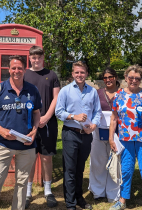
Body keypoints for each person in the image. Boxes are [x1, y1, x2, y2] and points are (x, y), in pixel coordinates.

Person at [0, 55, 42, 210]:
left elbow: (36, 113)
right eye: (13, 68)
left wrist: (35, 130)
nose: (17, 71)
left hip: (26, 145)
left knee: (22, 184)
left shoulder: (32, 89)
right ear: (9, 70)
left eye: (20, 68)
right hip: (3, 144)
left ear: (24, 70)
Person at [109, 65, 142, 210]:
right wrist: (111, 138)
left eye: (137, 78)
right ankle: (122, 201)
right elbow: (114, 119)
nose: (133, 80)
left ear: (141, 80)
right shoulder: (118, 95)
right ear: (125, 78)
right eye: (130, 77)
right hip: (125, 139)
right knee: (126, 170)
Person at [55, 61, 102, 210]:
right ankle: (70, 204)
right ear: (72, 74)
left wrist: (94, 125)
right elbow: (58, 111)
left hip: (86, 135)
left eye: (82, 72)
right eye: (77, 72)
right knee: (69, 169)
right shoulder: (65, 91)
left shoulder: (93, 91)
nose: (79, 75)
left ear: (86, 74)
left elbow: (97, 112)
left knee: (80, 168)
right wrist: (73, 116)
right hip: (70, 133)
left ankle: (79, 196)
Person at [24, 46, 60, 208]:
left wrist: (46, 116)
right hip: (28, 123)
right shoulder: (24, 74)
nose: (36, 60)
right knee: (29, 157)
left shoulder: (51, 75)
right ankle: (28, 192)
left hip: (47, 122)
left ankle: (48, 191)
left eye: (39, 57)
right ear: (29, 58)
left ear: (43, 57)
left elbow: (56, 97)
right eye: (33, 57)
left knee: (46, 157)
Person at [88, 67, 120, 202]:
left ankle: (114, 194)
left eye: (110, 77)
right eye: (105, 78)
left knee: (115, 162)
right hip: (98, 130)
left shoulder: (123, 93)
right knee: (97, 161)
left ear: (115, 77)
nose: (108, 80)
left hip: (118, 131)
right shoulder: (97, 93)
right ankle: (98, 191)